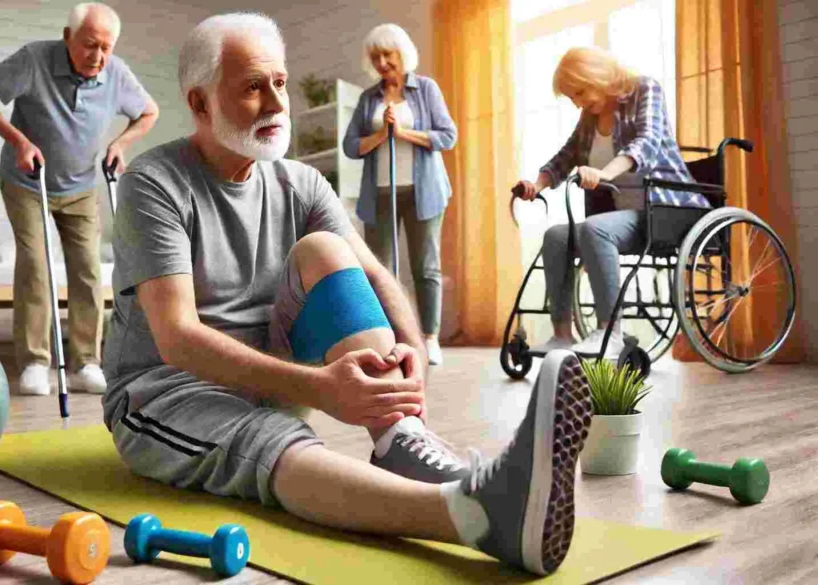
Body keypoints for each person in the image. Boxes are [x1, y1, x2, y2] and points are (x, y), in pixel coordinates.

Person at [103, 12, 592, 576]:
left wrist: (408, 360)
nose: (277, 104)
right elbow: (180, 340)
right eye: (253, 88)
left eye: (280, 83)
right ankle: (473, 515)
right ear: (200, 103)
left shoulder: (300, 182)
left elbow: (376, 274)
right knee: (272, 437)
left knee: (327, 249)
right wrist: (320, 388)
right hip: (168, 391)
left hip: (269, 369)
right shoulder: (154, 182)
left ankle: (402, 441)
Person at [0, 3, 160, 395]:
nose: (98, 57)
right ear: (67, 37)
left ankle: (86, 361)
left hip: (82, 187)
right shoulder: (34, 59)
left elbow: (148, 112)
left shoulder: (115, 74)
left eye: (106, 47)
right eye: (89, 45)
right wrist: (17, 140)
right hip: (28, 181)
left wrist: (121, 142)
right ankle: (35, 362)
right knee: (35, 264)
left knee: (87, 269)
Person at [513, 47, 706, 358]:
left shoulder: (645, 89)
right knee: (556, 237)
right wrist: (537, 185)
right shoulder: (590, 116)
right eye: (572, 97)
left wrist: (603, 174)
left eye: (579, 92)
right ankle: (562, 336)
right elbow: (567, 156)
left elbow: (647, 143)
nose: (577, 102)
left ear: (596, 76)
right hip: (627, 214)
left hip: (667, 208)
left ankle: (610, 332)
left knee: (594, 229)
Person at [343, 24, 457, 366]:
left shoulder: (425, 89)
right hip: (379, 193)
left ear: (401, 54)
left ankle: (430, 338)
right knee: (380, 270)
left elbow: (448, 136)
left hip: (424, 192)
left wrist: (404, 132)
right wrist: (381, 135)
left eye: (387, 54)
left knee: (425, 266)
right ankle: (390, 338)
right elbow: (350, 145)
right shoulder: (368, 100)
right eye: (375, 57)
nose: (381, 62)